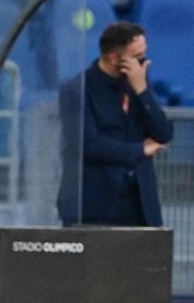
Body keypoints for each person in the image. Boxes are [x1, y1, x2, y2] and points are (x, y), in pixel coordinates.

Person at [58, 21, 172, 226]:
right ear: (114, 58)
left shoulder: (138, 83)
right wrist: (140, 150)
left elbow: (163, 133)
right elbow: (88, 143)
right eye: (138, 58)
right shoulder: (78, 89)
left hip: (139, 204)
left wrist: (143, 91)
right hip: (96, 204)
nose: (144, 63)